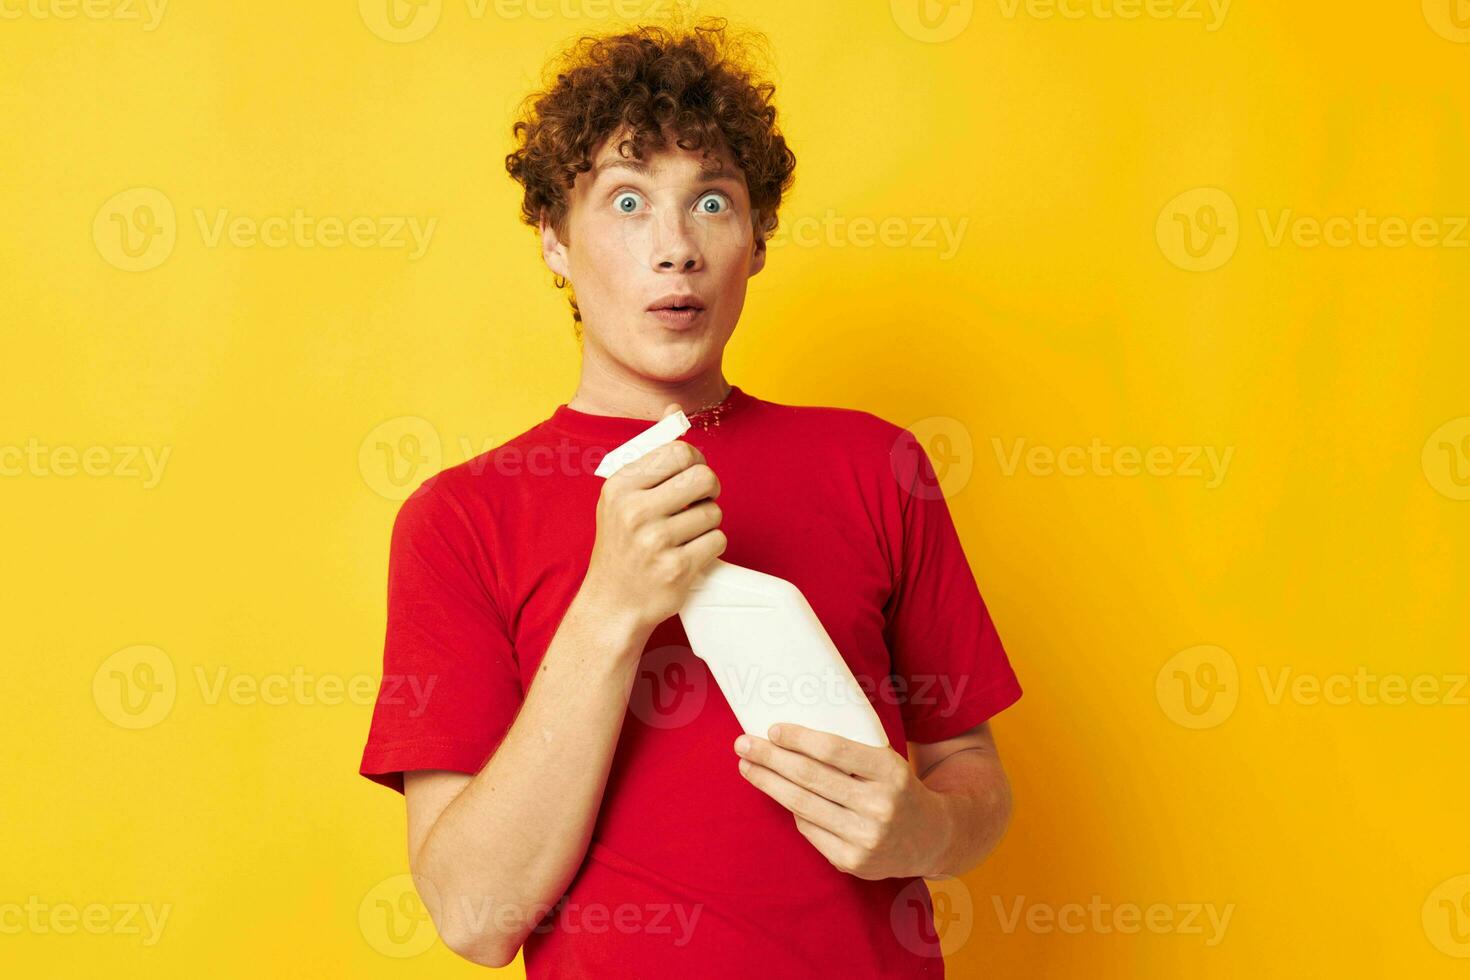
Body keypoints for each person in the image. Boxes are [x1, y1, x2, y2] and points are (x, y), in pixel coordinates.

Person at [358, 17, 1022, 977]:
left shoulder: (877, 465)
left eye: (712, 201)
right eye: (626, 202)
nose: (675, 247)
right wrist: (611, 608)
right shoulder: (459, 519)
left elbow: (976, 773)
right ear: (552, 239)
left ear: (755, 242)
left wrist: (925, 833)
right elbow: (473, 915)